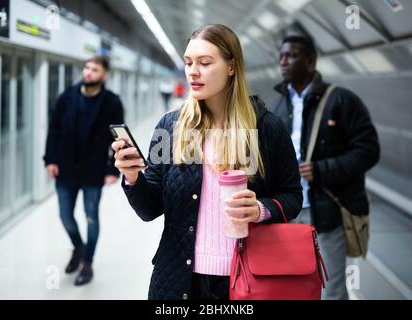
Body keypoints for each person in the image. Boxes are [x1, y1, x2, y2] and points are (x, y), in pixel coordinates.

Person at [112, 24, 302, 300]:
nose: (193, 71)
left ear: (232, 67)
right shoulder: (172, 128)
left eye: (205, 63)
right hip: (179, 279)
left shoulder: (265, 129)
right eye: (188, 62)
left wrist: (260, 209)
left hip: (247, 278)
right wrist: (133, 178)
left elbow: (292, 195)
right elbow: (150, 209)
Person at [271, 35, 380, 299]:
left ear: (311, 60)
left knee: (331, 287)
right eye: (282, 55)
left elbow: (368, 151)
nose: (284, 61)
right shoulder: (279, 104)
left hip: (327, 212)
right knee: (293, 285)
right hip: (289, 210)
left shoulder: (341, 101)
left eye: (292, 55)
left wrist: (321, 169)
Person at [44, 56, 124, 286]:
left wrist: (112, 169)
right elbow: (54, 130)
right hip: (66, 167)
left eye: (94, 69)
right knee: (65, 216)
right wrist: (50, 159)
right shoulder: (67, 97)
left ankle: (87, 262)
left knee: (91, 217)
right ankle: (79, 247)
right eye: (87, 68)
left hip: (94, 170)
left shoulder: (111, 102)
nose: (88, 73)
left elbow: (117, 137)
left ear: (104, 75)